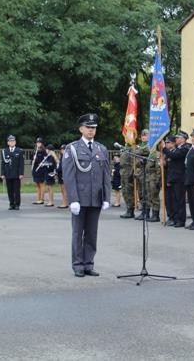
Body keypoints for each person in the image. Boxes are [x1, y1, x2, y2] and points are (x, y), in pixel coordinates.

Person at [62, 113, 111, 277]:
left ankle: (88, 264)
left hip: (95, 198)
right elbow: (68, 177)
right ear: (81, 129)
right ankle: (77, 265)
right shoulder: (73, 149)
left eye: (94, 128)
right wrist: (73, 200)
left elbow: (106, 176)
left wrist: (106, 197)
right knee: (77, 233)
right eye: (88, 128)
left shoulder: (101, 149)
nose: (91, 131)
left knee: (92, 233)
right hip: (80, 199)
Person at [164, 131, 189, 227]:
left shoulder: (185, 148)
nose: (176, 139)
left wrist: (164, 149)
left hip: (180, 179)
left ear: (183, 139)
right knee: (174, 200)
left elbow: (174, 156)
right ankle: (175, 219)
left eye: (178, 138)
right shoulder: (178, 148)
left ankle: (181, 220)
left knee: (180, 201)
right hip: (174, 178)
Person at [0, 135, 24, 210]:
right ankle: (11, 204)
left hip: (16, 174)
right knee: (9, 190)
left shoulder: (19, 151)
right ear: (8, 143)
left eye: (13, 141)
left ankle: (17, 204)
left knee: (16, 190)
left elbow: (21, 164)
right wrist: (2, 173)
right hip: (8, 174)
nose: (12, 142)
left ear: (15, 142)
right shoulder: (5, 151)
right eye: (10, 141)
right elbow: (3, 163)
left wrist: (21, 173)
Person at [133, 129, 151, 220]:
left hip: (146, 172)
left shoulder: (149, 145)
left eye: (146, 135)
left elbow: (141, 152)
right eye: (142, 135)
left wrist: (136, 149)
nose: (144, 137)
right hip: (139, 172)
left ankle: (146, 212)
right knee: (140, 193)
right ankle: (143, 211)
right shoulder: (140, 146)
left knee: (145, 193)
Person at [144, 142, 162, 222]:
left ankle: (156, 215)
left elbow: (158, 169)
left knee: (154, 196)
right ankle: (150, 213)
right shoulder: (150, 154)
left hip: (154, 178)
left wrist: (158, 180)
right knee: (149, 195)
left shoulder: (157, 154)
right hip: (148, 177)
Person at [119, 141, 135, 219]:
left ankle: (131, 210)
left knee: (129, 192)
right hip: (123, 172)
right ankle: (128, 209)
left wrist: (132, 173)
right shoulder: (124, 149)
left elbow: (133, 163)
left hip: (128, 172)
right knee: (124, 191)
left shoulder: (131, 150)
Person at [162, 136, 176, 224]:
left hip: (172, 180)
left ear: (173, 143)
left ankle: (173, 217)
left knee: (172, 200)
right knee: (167, 200)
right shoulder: (167, 154)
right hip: (167, 179)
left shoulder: (174, 152)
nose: (166, 144)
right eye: (166, 143)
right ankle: (169, 216)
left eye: (168, 143)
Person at [31, 137, 47, 204]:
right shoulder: (35, 151)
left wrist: (36, 159)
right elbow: (32, 160)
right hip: (35, 169)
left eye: (39, 142)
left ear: (42, 143)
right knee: (37, 184)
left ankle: (42, 199)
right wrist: (33, 160)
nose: (38, 144)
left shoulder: (43, 151)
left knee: (41, 184)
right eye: (37, 142)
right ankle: (38, 198)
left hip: (41, 169)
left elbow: (43, 161)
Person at [57, 144, 69, 209]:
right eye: (62, 149)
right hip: (60, 174)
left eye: (64, 149)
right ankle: (63, 202)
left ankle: (65, 203)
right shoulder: (61, 156)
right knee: (62, 189)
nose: (62, 150)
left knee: (64, 190)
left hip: (65, 174)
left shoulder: (67, 157)